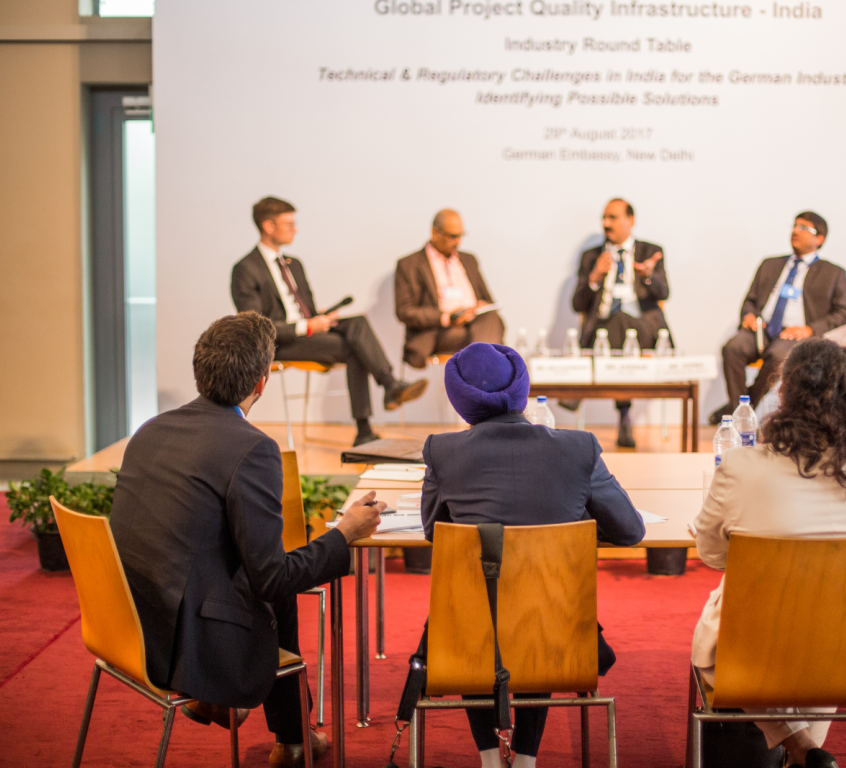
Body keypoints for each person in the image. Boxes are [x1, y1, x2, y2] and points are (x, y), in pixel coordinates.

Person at [109, 311, 384, 767]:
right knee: (277, 594)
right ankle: (288, 736)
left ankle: (290, 738)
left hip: (131, 624)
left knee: (262, 577)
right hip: (187, 646)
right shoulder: (252, 447)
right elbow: (272, 579)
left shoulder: (151, 429)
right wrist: (345, 534)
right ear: (261, 382)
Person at [691, 338, 846, 768]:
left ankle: (799, 747)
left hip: (754, 652)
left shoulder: (742, 466)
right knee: (829, 624)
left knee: (768, 635)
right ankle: (807, 753)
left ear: (785, 393)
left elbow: (713, 554)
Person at [420, 342, 645, 768]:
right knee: (537, 603)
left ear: (459, 399)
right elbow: (630, 531)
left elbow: (436, 531)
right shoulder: (579, 448)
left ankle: (490, 759)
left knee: (478, 609)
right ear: (523, 390)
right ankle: (525, 760)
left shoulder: (442, 452)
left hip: (467, 638)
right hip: (559, 635)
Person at [231, 196, 427, 446]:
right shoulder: (245, 269)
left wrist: (318, 318)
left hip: (308, 331)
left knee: (357, 323)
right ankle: (372, 415)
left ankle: (387, 389)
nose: (295, 229)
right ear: (268, 226)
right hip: (280, 343)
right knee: (354, 348)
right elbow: (255, 329)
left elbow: (308, 309)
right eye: (289, 224)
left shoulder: (294, 264)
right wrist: (307, 326)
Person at [711, 211, 846, 425]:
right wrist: (748, 315)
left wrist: (809, 329)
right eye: (795, 226)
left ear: (820, 239)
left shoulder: (833, 273)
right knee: (732, 348)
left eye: (804, 228)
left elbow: (845, 312)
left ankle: (740, 412)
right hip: (761, 330)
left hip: (794, 334)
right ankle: (739, 412)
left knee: (779, 357)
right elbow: (749, 300)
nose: (796, 231)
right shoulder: (769, 264)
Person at [569, 198, 671, 449]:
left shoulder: (650, 251)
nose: (606, 223)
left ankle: (574, 394)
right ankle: (624, 414)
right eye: (604, 218)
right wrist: (594, 277)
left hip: (645, 331)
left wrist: (647, 277)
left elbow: (664, 293)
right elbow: (577, 304)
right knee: (614, 320)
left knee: (622, 317)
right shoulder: (592, 256)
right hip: (601, 334)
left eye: (612, 217)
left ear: (631, 220)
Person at [394, 209, 505, 369]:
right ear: (435, 232)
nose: (458, 241)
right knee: (486, 344)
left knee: (492, 318)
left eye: (461, 235)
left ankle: (482, 372)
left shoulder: (469, 260)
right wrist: (447, 317)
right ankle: (487, 377)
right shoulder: (409, 265)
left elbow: (488, 300)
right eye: (453, 236)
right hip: (439, 331)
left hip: (475, 325)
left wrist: (481, 306)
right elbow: (405, 311)